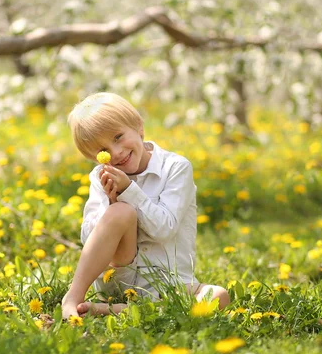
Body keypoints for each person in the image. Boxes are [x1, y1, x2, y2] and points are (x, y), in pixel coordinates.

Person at [61, 92, 230, 319]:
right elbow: (88, 240)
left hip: (169, 285)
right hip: (119, 280)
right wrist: (112, 207)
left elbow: (164, 229)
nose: (116, 152)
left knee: (218, 296)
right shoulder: (100, 177)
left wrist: (130, 191)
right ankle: (73, 297)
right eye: (103, 151)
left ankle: (121, 311)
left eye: (118, 137)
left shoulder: (175, 168)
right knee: (120, 211)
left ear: (139, 127)